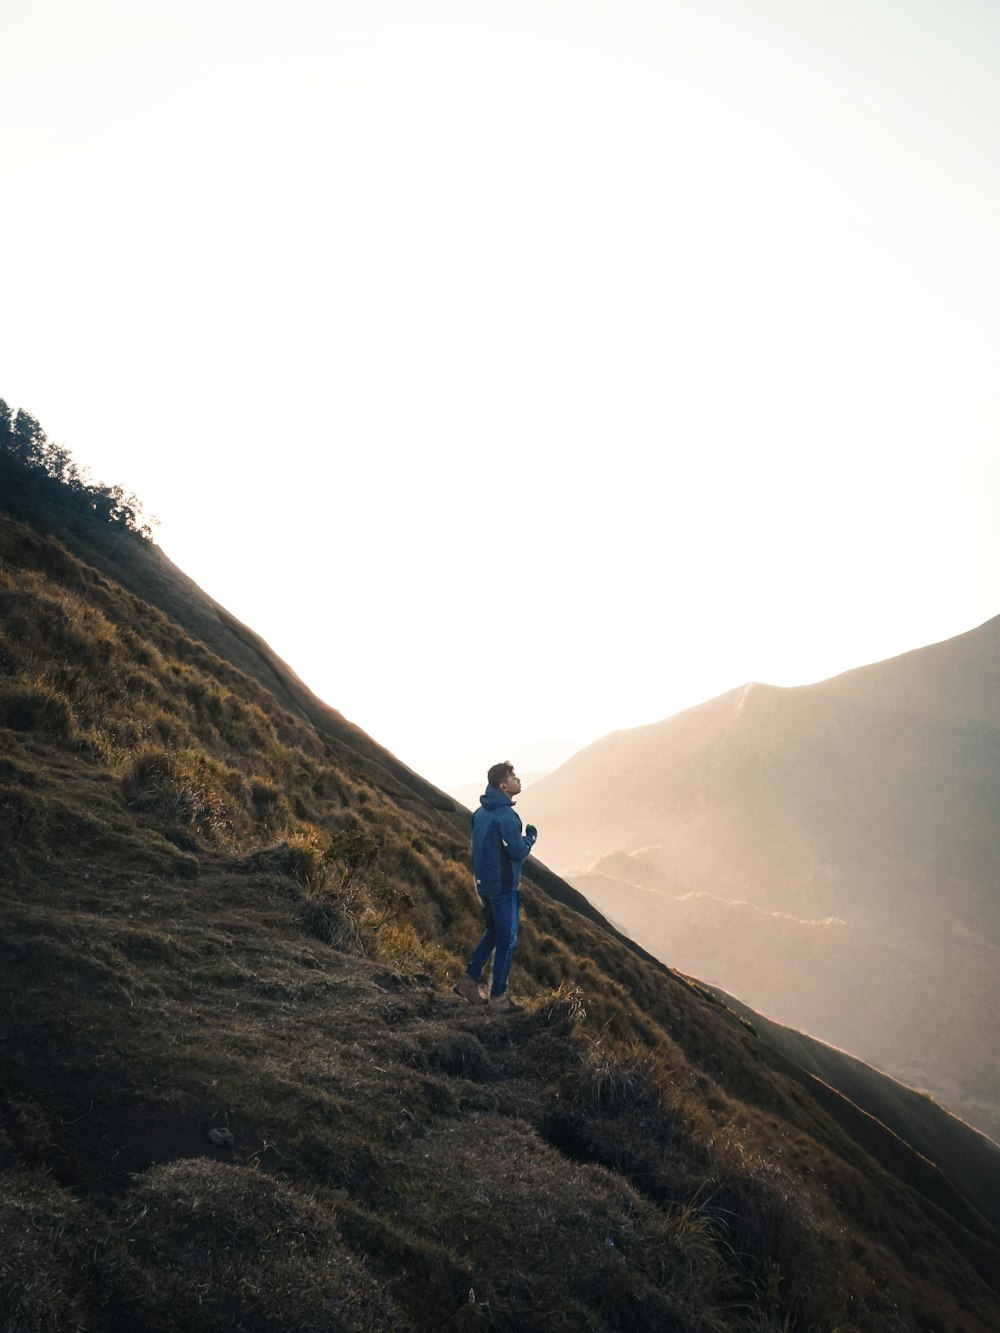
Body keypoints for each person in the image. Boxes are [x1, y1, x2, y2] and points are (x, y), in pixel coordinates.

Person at [454, 760, 537, 1013]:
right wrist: (531, 838)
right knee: (507, 940)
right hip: (503, 887)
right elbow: (517, 852)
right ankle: (498, 998)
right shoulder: (506, 816)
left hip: (483, 884)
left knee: (492, 932)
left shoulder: (479, 813)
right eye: (514, 777)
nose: (518, 780)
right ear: (503, 785)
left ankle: (468, 982)